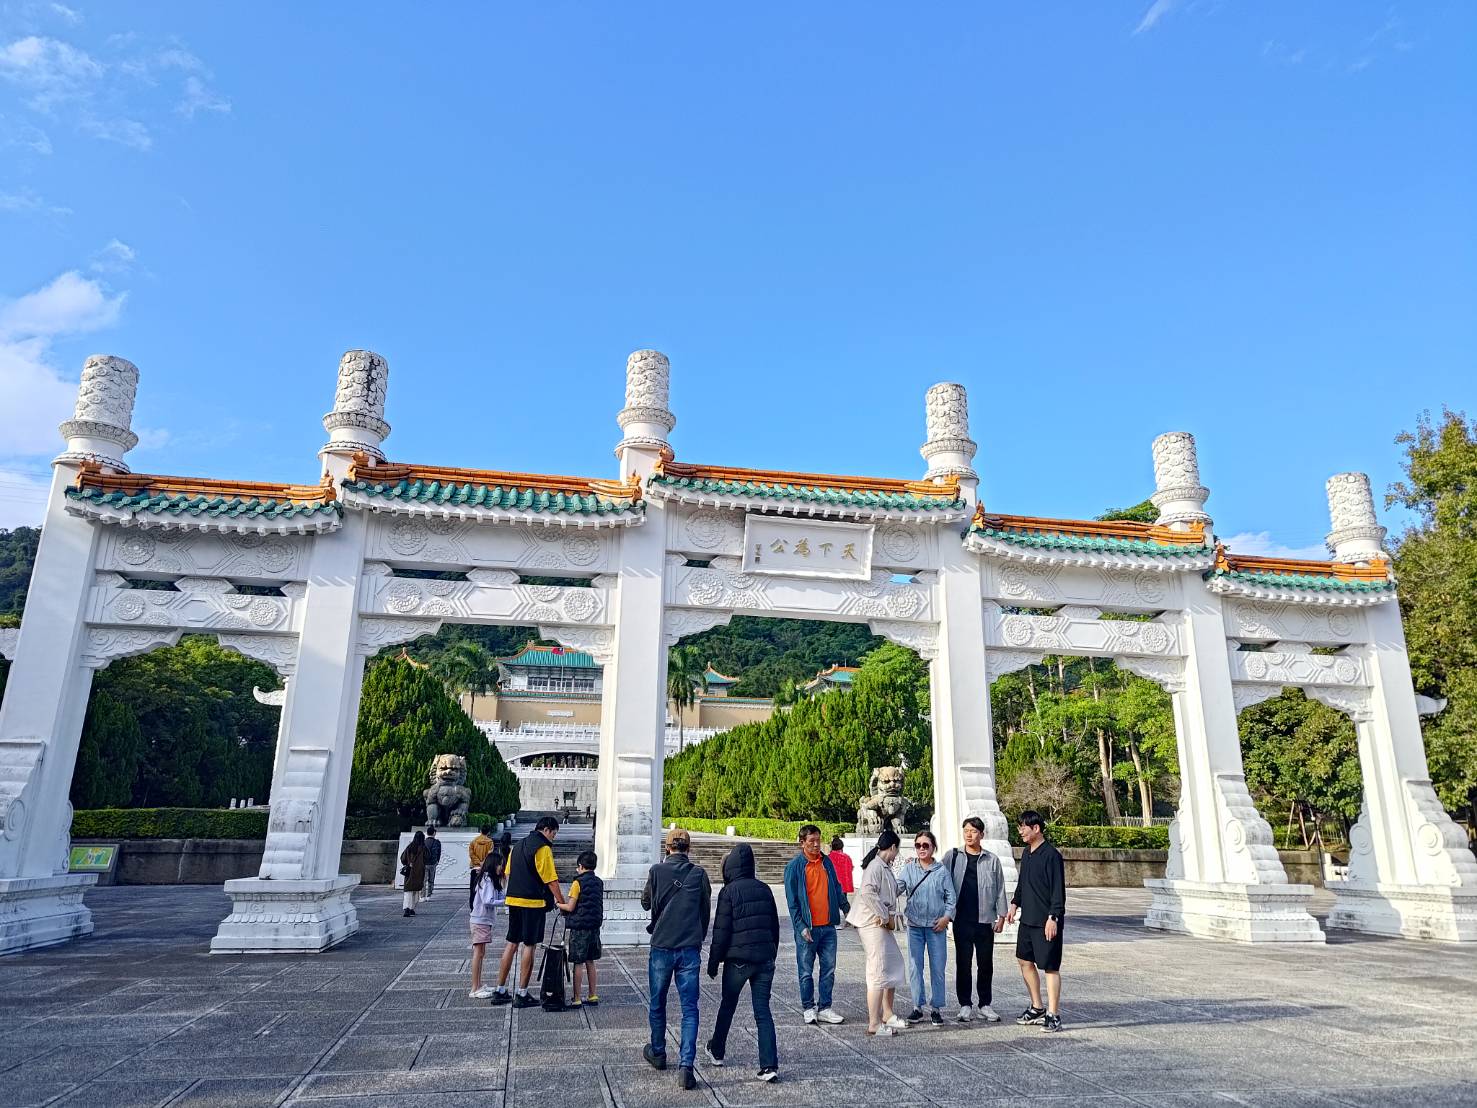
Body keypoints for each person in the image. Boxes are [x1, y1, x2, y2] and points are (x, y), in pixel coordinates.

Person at [641, 828, 712, 1091]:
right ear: (688, 849)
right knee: (689, 1008)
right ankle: (686, 1066)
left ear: (667, 848)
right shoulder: (699, 874)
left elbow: (645, 903)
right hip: (689, 947)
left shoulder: (657, 871)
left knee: (658, 1001)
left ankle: (658, 1052)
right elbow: (705, 911)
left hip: (662, 945)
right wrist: (698, 936)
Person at [703, 844, 780, 1083]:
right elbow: (774, 927)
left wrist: (713, 963)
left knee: (728, 1006)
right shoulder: (765, 889)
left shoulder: (729, 892)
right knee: (763, 1012)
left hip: (737, 961)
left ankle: (717, 1050)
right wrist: (772, 953)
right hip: (764, 959)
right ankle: (769, 1065)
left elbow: (721, 931)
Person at [490, 816, 564, 1009]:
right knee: (529, 945)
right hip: (533, 902)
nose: (554, 838)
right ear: (547, 830)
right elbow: (551, 880)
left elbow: (507, 873)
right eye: (554, 833)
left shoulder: (518, 845)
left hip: (513, 899)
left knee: (512, 942)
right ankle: (522, 993)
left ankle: (500, 989)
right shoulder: (543, 848)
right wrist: (561, 901)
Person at [941, 816, 1008, 1023]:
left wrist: (1002, 916)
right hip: (961, 919)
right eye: (966, 830)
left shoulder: (992, 859)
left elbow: (1000, 889)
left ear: (982, 834)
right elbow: (938, 878)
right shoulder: (952, 856)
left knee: (985, 963)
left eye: (973, 831)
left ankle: (985, 1004)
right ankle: (965, 1004)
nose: (969, 834)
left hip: (985, 919)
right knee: (963, 963)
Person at [782, 823, 849, 1025]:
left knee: (828, 969)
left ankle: (825, 1007)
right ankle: (808, 1007)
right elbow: (792, 902)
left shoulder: (826, 863)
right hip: (808, 928)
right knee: (806, 971)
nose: (816, 844)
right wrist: (800, 926)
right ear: (802, 843)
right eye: (811, 841)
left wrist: (848, 909)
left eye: (818, 840)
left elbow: (837, 889)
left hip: (828, 926)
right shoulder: (794, 867)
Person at [1007, 810, 1066, 1033]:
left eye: (1023, 827)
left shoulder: (1051, 855)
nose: (1020, 831)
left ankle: (1053, 1013)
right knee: (1024, 961)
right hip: (1028, 920)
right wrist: (1014, 903)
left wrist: (1054, 917)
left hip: (1046, 920)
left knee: (1050, 967)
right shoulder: (1027, 852)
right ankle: (1037, 1007)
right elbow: (1023, 884)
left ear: (1036, 828)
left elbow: (1058, 892)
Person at [847, 829, 908, 1037]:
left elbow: (889, 891)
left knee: (893, 964)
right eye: (896, 851)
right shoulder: (875, 866)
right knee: (878, 969)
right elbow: (867, 892)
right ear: (892, 848)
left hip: (881, 924)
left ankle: (887, 1013)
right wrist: (883, 914)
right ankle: (874, 1022)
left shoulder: (883, 866)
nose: (896, 855)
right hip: (872, 923)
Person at [900, 829, 955, 1027]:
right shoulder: (908, 869)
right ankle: (917, 1006)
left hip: (936, 926)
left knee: (938, 968)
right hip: (915, 925)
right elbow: (897, 887)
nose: (921, 849)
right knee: (915, 967)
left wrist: (946, 917)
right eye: (918, 845)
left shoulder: (941, 871)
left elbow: (951, 897)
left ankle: (936, 1008)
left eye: (926, 845)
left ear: (933, 848)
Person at [558, 850, 604, 1008]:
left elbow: (570, 907)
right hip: (594, 927)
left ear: (581, 866)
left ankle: (576, 997)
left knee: (578, 962)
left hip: (579, 928)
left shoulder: (577, 883)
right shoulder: (599, 882)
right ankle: (592, 995)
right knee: (590, 961)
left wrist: (558, 905)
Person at [468, 851, 504, 999]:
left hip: (482, 920)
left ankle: (478, 984)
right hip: (480, 920)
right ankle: (474, 988)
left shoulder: (487, 879)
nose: (501, 868)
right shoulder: (487, 879)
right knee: (478, 953)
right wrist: (505, 902)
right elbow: (488, 900)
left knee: (481, 953)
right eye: (500, 864)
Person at [400, 831, 427, 917]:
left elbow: (403, 858)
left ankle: (406, 908)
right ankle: (412, 908)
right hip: (419, 872)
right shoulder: (424, 848)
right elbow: (428, 858)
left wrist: (408, 864)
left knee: (408, 891)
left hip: (410, 872)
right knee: (416, 891)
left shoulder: (410, 847)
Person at [468, 823, 493, 909]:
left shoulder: (473, 842)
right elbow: (490, 856)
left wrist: (478, 862)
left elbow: (471, 854)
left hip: (475, 868)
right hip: (485, 870)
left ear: (480, 831)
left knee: (473, 889)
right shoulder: (490, 842)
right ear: (488, 832)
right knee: (484, 890)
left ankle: (472, 907)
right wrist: (483, 863)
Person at [423, 825, 442, 900]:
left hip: (424, 863)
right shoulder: (437, 842)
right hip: (433, 863)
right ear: (434, 833)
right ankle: (429, 895)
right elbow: (439, 853)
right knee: (431, 880)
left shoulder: (424, 842)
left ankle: (422, 895)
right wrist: (437, 861)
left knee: (423, 880)